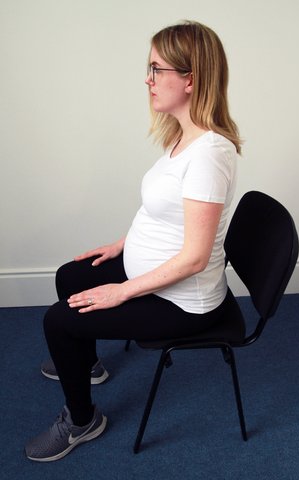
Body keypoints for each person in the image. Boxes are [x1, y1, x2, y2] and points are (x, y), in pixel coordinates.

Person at [25, 20, 242, 462]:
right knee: (70, 275)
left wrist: (121, 290)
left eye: (157, 69)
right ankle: (86, 365)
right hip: (154, 269)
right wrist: (125, 244)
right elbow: (166, 212)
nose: (147, 78)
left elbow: (196, 257)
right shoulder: (183, 137)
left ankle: (83, 421)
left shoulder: (209, 155)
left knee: (58, 321)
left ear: (190, 78)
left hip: (184, 302)